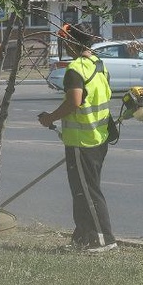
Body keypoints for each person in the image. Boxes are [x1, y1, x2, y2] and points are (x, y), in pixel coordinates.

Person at [38, 23, 116, 252]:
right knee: (82, 191)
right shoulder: (99, 64)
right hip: (98, 137)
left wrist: (50, 118)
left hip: (83, 141)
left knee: (88, 193)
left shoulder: (76, 69)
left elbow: (74, 102)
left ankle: (104, 240)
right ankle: (83, 238)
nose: (65, 47)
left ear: (72, 43)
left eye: (65, 42)